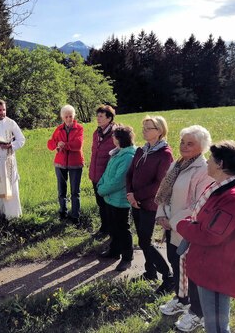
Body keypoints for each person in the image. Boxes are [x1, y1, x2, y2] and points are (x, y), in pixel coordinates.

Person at [176, 141, 235, 333]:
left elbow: (210, 235)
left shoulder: (233, 197)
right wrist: (191, 221)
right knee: (212, 322)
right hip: (207, 266)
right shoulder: (219, 187)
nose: (207, 162)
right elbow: (204, 217)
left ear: (220, 164)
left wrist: (182, 224)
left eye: (210, 158)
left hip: (217, 272)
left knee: (216, 327)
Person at [155, 125, 214, 330]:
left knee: (190, 269)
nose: (184, 146)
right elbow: (165, 192)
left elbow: (198, 204)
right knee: (175, 261)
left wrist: (172, 221)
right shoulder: (177, 164)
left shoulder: (204, 170)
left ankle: (197, 312)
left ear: (202, 147)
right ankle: (181, 299)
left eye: (190, 143)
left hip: (187, 228)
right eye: (182, 142)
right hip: (171, 225)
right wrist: (161, 214)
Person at [126, 115, 173, 292]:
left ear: (159, 131)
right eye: (143, 127)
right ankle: (150, 271)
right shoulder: (141, 150)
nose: (144, 131)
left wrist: (137, 196)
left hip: (150, 204)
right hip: (135, 201)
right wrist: (130, 194)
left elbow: (159, 183)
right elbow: (130, 173)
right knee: (142, 238)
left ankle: (168, 277)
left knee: (145, 241)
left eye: (148, 128)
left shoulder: (165, 154)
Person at [97, 125, 136, 271]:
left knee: (122, 229)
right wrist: (101, 184)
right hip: (109, 197)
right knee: (113, 227)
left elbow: (119, 180)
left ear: (119, 139)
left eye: (114, 136)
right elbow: (107, 173)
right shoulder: (118, 153)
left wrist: (102, 190)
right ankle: (114, 251)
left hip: (119, 200)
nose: (112, 138)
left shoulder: (127, 157)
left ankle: (127, 257)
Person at [47, 105, 84, 224]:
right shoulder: (58, 129)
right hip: (60, 163)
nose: (69, 119)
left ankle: (75, 217)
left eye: (71, 116)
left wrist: (64, 145)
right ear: (62, 117)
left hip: (75, 164)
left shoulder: (79, 128)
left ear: (74, 116)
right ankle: (63, 213)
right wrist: (57, 144)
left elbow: (77, 145)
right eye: (66, 116)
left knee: (75, 192)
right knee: (61, 191)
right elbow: (50, 144)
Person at [88, 105, 117, 239]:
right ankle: (104, 228)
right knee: (100, 204)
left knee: (109, 204)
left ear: (109, 118)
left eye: (101, 116)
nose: (98, 119)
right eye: (97, 116)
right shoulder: (96, 133)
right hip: (96, 174)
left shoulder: (115, 134)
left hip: (108, 176)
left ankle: (112, 230)